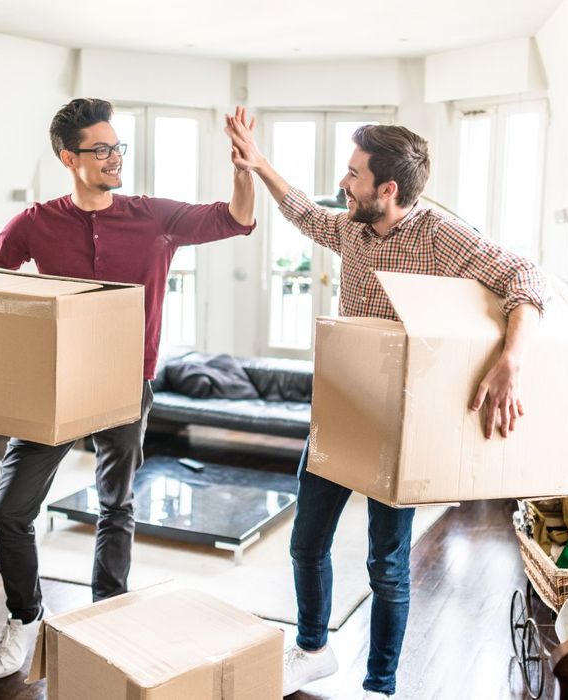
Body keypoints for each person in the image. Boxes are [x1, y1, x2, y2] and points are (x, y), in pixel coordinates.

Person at [225, 109, 547, 699]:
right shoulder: (351, 227)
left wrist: (511, 361)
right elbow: (303, 213)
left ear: (387, 188)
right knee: (306, 543)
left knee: (386, 564)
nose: (343, 183)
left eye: (353, 174)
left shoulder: (440, 237)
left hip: (402, 424)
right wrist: (258, 161)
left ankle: (380, 685)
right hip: (341, 411)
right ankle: (313, 651)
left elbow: (524, 276)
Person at [0, 99, 255, 680]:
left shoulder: (154, 216)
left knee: (116, 505)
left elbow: (234, 219)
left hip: (127, 386)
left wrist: (243, 168)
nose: (113, 157)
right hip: (54, 387)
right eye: (99, 149)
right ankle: (25, 618)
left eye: (116, 146)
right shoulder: (34, 222)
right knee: (9, 510)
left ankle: (107, 619)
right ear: (67, 157)